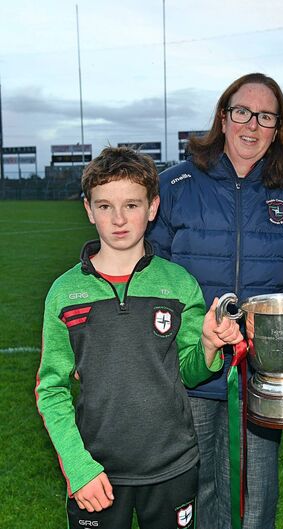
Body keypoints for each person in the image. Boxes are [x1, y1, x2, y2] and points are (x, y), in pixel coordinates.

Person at [35, 146, 242, 529]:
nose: (118, 219)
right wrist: (78, 467)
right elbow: (51, 389)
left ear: (152, 207)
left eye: (131, 205)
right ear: (88, 210)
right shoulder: (64, 293)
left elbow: (190, 372)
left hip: (172, 466)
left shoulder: (179, 284)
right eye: (104, 206)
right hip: (97, 470)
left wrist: (210, 347)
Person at [147, 73, 283, 529]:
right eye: (242, 112)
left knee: (253, 502)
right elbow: (149, 276)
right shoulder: (174, 185)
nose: (251, 124)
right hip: (190, 367)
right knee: (191, 496)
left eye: (266, 116)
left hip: (257, 373)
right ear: (223, 116)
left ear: (278, 128)